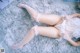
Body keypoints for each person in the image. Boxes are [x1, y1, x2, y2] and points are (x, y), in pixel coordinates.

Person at [12, 3, 80, 49]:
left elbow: (77, 44)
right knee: (36, 17)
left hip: (61, 32)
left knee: (35, 30)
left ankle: (20, 45)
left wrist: (68, 38)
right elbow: (77, 14)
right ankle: (25, 5)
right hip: (62, 20)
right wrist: (70, 16)